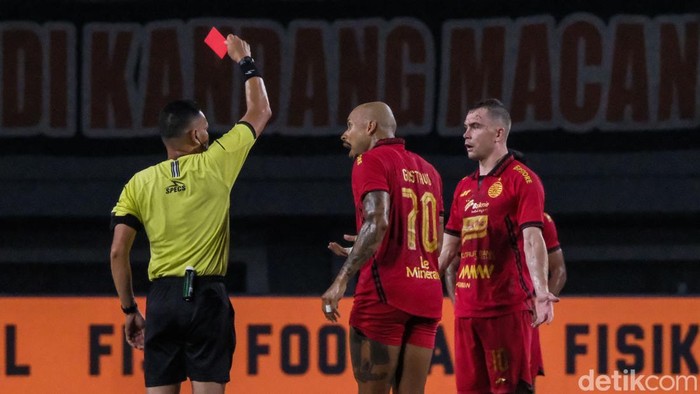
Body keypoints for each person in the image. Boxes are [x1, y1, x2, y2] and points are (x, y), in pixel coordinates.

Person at [109, 35, 271, 394]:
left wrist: (129, 310)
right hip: (206, 298)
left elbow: (118, 252)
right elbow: (260, 112)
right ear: (197, 135)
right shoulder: (217, 162)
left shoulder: (139, 183)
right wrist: (244, 60)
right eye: (206, 127)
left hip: (162, 300)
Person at [321, 101, 444, 394]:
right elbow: (434, 239)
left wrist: (340, 281)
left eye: (350, 126)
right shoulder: (430, 171)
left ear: (371, 127)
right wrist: (364, 247)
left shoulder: (370, 161)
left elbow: (378, 221)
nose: (345, 134)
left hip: (385, 293)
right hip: (427, 292)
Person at [438, 98, 558, 394]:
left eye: (475, 126)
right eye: (465, 127)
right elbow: (448, 251)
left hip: (505, 310)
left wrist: (542, 291)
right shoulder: (464, 187)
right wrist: (419, 285)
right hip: (466, 313)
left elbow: (533, 239)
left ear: (499, 134)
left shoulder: (523, 180)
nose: (465, 134)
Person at [530, 212, 566, 382]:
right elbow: (453, 267)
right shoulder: (482, 212)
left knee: (524, 381)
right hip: (483, 306)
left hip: (522, 311)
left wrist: (541, 302)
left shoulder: (542, 220)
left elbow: (559, 270)